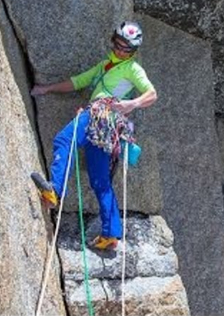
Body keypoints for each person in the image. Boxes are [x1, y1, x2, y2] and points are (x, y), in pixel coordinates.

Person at [30, 21, 157, 251]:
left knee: (63, 140)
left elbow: (152, 94)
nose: (120, 50)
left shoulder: (132, 69)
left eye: (125, 49)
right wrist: (47, 88)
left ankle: (55, 191)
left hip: (101, 114)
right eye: (118, 45)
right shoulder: (105, 65)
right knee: (100, 179)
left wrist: (131, 104)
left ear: (133, 52)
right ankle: (111, 234)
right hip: (105, 123)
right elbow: (77, 82)